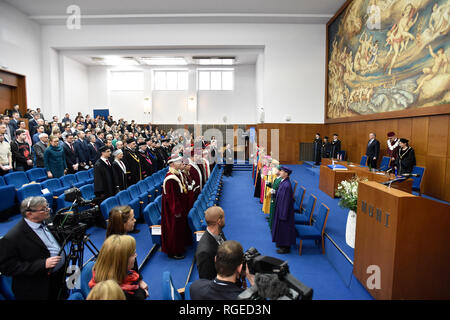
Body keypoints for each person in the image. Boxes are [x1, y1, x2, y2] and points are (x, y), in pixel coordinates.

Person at [0, 196, 67, 300]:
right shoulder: (12, 237)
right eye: (43, 209)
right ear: (29, 214)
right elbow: (7, 268)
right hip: (37, 288)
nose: (48, 210)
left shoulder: (45, 220)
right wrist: (42, 264)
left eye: (47, 207)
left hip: (57, 279)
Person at [88, 234, 148, 300]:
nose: (136, 255)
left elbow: (132, 271)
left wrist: (139, 280)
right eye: (133, 254)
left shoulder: (104, 269)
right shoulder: (116, 294)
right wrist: (143, 293)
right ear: (122, 262)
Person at [190, 240, 255, 300]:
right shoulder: (245, 297)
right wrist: (253, 282)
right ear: (240, 268)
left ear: (215, 260)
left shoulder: (195, 287)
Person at [161, 155, 191, 259]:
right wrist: (177, 211)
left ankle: (180, 247)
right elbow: (172, 197)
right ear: (172, 164)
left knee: (179, 230)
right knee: (174, 230)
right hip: (173, 211)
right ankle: (174, 251)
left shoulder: (178, 174)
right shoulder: (170, 178)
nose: (181, 163)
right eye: (179, 162)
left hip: (181, 208)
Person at [195, 206, 227, 280]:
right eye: (224, 217)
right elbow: (206, 281)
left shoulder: (219, 232)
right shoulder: (204, 252)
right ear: (219, 221)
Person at [271, 166, 296, 254]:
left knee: (285, 229)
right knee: (281, 228)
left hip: (284, 211)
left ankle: (286, 248)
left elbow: (285, 201)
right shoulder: (284, 182)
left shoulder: (286, 185)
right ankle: (281, 244)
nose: (280, 172)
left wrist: (283, 214)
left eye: (282, 171)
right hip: (280, 208)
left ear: (286, 173)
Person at [267, 165, 282, 231]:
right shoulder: (277, 178)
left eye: (276, 170)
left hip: (276, 199)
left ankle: (273, 228)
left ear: (280, 171)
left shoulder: (281, 180)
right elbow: (274, 186)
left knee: (274, 213)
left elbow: (281, 191)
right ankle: (271, 225)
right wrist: (269, 184)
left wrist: (275, 192)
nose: (275, 171)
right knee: (272, 211)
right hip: (273, 198)